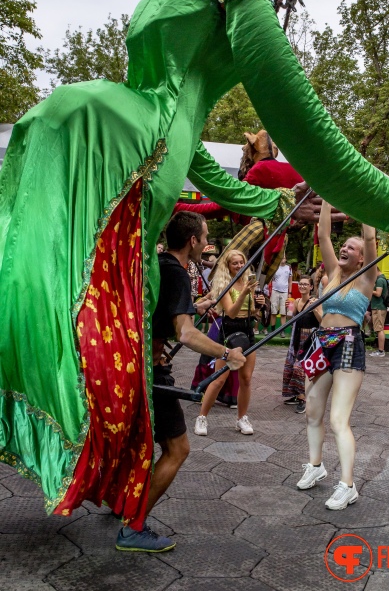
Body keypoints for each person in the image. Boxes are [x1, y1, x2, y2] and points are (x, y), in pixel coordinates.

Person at [0, 0, 389, 528]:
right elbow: (317, 138)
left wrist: (270, 201)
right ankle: (120, 499)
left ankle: (112, 486)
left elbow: (187, 146)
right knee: (95, 343)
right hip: (121, 170)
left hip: (120, 142)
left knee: (47, 308)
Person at [116, 211, 246, 551]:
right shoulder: (176, 272)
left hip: (136, 368)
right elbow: (186, 333)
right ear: (193, 241)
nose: (206, 243)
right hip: (151, 373)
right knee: (177, 449)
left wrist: (198, 304)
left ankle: (122, 505)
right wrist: (225, 352)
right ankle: (133, 526)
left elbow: (165, 312)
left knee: (137, 444)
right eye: (204, 237)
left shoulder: (159, 263)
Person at [296, 201, 374, 509]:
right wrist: (328, 196)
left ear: (362, 258)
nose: (345, 249)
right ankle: (315, 466)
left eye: (352, 248)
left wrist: (364, 200)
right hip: (321, 344)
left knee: (339, 419)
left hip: (348, 344)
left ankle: (347, 485)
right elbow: (324, 234)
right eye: (345, 245)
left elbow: (370, 239)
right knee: (312, 412)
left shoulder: (366, 277)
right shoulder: (332, 273)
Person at [194, 249, 264, 436]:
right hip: (229, 330)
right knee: (219, 379)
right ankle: (202, 418)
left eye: (241, 262)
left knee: (246, 379)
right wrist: (244, 293)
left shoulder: (249, 282)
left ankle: (241, 418)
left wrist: (259, 304)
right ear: (228, 266)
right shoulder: (226, 284)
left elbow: (252, 312)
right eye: (235, 263)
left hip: (247, 329)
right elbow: (231, 312)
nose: (239, 266)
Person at [282, 276, 321, 413]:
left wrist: (315, 309)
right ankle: (295, 394)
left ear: (311, 287)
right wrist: (289, 308)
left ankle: (303, 399)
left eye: (305, 284)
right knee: (290, 367)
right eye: (300, 284)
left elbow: (322, 321)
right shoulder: (297, 301)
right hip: (297, 337)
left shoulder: (315, 301)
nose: (302, 286)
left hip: (309, 339)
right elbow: (291, 317)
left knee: (300, 368)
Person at [270, 257, 293, 331]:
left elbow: (290, 282)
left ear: (286, 259)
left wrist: (290, 292)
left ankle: (282, 331)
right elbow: (270, 279)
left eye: (284, 257)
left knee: (283, 312)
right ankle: (273, 330)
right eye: (281, 257)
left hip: (285, 292)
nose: (283, 258)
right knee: (273, 311)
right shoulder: (275, 267)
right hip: (275, 290)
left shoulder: (289, 268)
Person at [369, 268, 388, 357]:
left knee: (379, 328)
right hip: (378, 307)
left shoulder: (380, 280)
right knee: (378, 328)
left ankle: (381, 351)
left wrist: (368, 289)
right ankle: (380, 350)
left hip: (378, 307)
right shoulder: (382, 278)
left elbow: (378, 293)